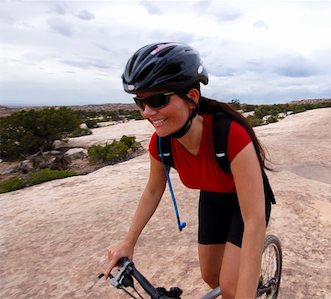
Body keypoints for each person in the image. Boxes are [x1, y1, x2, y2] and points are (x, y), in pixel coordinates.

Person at [104, 42, 272, 298]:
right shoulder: (161, 143)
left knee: (231, 287)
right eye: (140, 102)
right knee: (210, 276)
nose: (147, 112)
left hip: (245, 205)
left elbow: (254, 220)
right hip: (213, 199)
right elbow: (152, 190)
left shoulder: (230, 136)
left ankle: (256, 284)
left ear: (192, 97)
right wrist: (128, 242)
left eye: (157, 100)